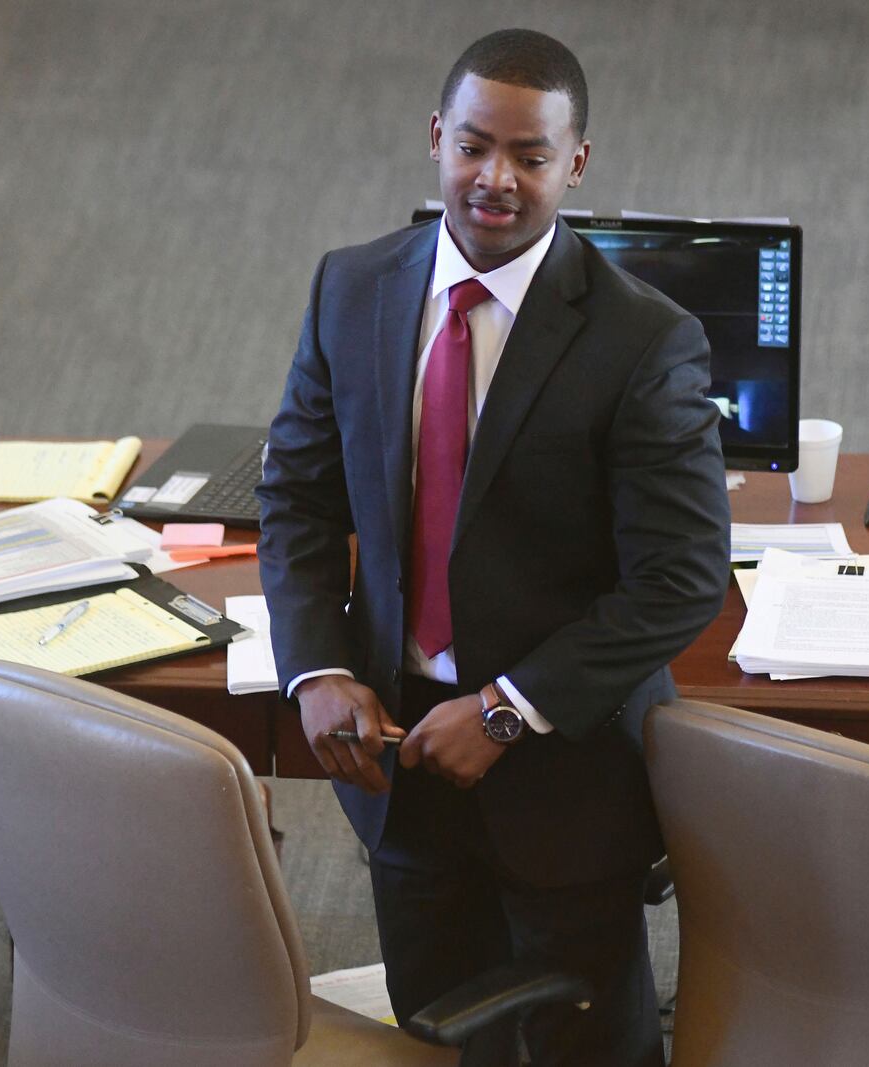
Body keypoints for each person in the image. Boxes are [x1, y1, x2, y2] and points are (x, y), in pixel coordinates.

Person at [256, 28, 731, 1067]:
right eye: (474, 147)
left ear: (577, 163)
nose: (496, 180)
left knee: (584, 1046)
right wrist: (318, 665)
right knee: (435, 1036)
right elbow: (294, 492)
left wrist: (508, 709)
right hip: (398, 763)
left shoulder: (641, 338)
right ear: (436, 138)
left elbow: (683, 574)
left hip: (566, 778)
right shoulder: (352, 286)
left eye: (529, 155)